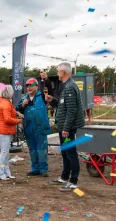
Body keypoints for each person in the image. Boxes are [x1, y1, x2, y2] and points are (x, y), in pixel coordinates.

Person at [45, 62, 85, 191]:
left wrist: (66, 129)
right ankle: (64, 177)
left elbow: (72, 110)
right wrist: (53, 100)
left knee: (70, 152)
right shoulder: (65, 86)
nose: (57, 73)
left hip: (67, 127)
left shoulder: (69, 87)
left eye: (58, 71)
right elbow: (63, 105)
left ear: (63, 72)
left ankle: (73, 181)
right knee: (65, 151)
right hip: (63, 126)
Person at [17, 78, 52, 177]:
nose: (29, 88)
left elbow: (49, 90)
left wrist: (46, 79)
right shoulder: (24, 98)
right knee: (32, 149)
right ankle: (35, 168)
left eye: (31, 85)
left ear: (36, 87)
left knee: (42, 149)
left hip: (40, 127)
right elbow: (17, 110)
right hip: (29, 127)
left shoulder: (41, 96)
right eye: (27, 86)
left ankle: (43, 169)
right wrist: (22, 106)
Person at [0, 85, 23, 180]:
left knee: (5, 153)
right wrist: (19, 120)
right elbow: (7, 119)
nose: (13, 93)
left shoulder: (4, 102)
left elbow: (12, 110)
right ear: (8, 92)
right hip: (4, 131)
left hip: (4, 130)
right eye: (12, 91)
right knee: (4, 153)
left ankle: (6, 172)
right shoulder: (5, 104)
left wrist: (17, 113)